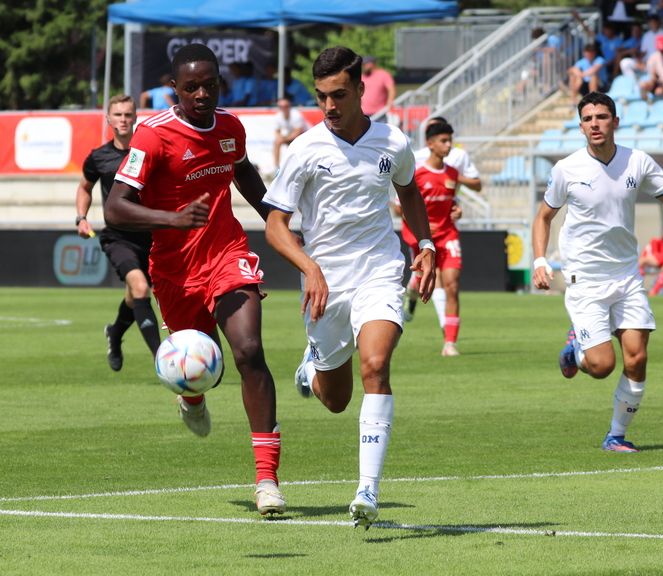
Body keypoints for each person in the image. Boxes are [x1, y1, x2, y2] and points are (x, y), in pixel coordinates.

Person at [104, 44, 285, 515]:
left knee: (248, 352)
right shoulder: (153, 136)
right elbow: (115, 206)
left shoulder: (230, 126)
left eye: (210, 84)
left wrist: (275, 219)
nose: (202, 94)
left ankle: (267, 480)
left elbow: (243, 173)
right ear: (175, 89)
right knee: (200, 370)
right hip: (175, 271)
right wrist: (172, 218)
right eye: (191, 87)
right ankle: (192, 397)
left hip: (227, 252)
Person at [264, 46, 436, 529]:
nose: (330, 106)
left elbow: (409, 193)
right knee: (336, 399)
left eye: (339, 94)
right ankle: (311, 369)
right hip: (325, 288)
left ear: (362, 89)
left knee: (376, 365)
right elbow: (276, 226)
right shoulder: (304, 149)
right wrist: (308, 266)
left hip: (380, 270)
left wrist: (425, 243)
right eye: (321, 97)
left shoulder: (393, 143)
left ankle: (367, 490)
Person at [532, 91, 663, 453]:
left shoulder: (637, 162)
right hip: (584, 279)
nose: (594, 124)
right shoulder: (566, 168)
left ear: (615, 122)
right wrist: (540, 261)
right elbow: (544, 217)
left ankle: (615, 436)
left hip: (626, 276)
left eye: (601, 117)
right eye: (587, 119)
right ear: (581, 125)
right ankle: (576, 352)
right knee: (602, 365)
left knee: (637, 356)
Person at [76, 95, 162, 371]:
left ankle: (115, 332)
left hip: (152, 237)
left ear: (136, 118)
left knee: (133, 296)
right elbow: (84, 188)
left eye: (128, 114)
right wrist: (81, 218)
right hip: (118, 237)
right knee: (140, 288)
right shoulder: (98, 157)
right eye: (118, 115)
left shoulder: (148, 152)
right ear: (109, 119)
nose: (123, 119)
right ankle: (162, 360)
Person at [404, 116, 481, 330]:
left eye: (449, 140)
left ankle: (448, 337)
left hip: (446, 229)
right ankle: (441, 322)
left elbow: (474, 184)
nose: (447, 145)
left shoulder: (457, 160)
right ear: (429, 141)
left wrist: (454, 203)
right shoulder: (415, 161)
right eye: (442, 140)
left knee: (449, 282)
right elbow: (403, 202)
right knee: (428, 274)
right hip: (421, 231)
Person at [271, 97, 309, 174]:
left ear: (289, 106)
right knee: (277, 142)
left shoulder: (296, 115)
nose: (283, 108)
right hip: (292, 136)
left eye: (285, 106)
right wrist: (281, 138)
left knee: (292, 145)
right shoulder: (278, 116)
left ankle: (300, 167)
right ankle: (276, 168)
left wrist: (283, 139)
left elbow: (298, 132)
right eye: (281, 107)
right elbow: (276, 132)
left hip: (305, 137)